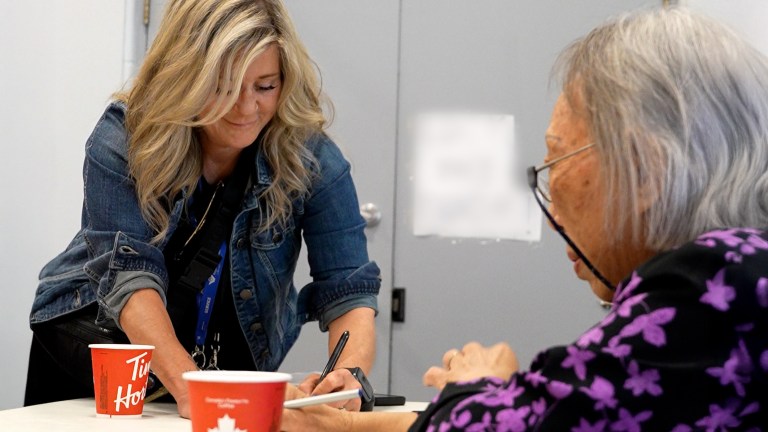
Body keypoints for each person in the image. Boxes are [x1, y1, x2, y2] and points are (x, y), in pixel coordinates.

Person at [281, 7, 768, 431]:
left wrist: (475, 390)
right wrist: (344, 423)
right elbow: (556, 411)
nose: (551, 208)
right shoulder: (737, 274)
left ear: (646, 171)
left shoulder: (709, 291)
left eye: (555, 162)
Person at [25, 0, 380, 418]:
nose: (247, 109)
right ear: (186, 76)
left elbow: (349, 288)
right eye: (224, 86)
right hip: (101, 366)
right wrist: (191, 388)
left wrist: (348, 374)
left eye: (265, 86)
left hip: (216, 375)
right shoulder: (125, 140)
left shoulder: (313, 159)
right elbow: (130, 280)